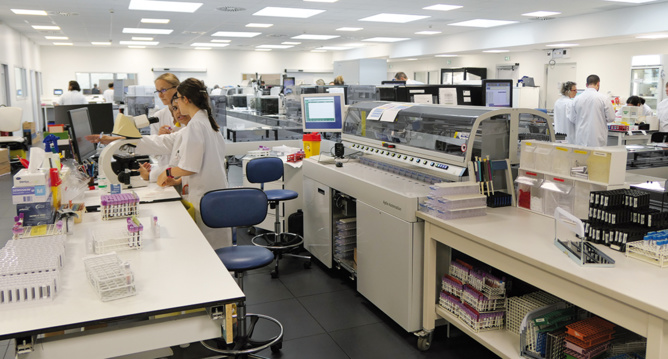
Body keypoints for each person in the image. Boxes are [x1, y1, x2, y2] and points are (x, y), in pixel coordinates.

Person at [88, 78, 230, 249]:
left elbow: (189, 167)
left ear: (185, 99)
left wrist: (168, 173)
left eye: (176, 102)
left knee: (210, 252)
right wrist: (117, 140)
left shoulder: (196, 126)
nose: (175, 109)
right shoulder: (205, 123)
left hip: (206, 200)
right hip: (213, 197)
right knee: (216, 251)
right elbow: (163, 143)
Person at [572, 74, 615, 147]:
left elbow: (573, 118)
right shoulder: (603, 98)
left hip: (581, 138)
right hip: (597, 138)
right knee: (597, 157)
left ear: (586, 84)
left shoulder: (576, 99)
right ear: (598, 84)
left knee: (581, 157)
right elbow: (611, 118)